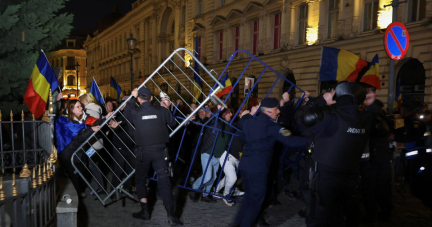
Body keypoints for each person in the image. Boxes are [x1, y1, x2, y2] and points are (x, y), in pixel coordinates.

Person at [295, 81, 373, 227]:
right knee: (339, 216)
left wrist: (321, 101)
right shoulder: (365, 119)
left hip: (324, 178)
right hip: (351, 178)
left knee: (319, 218)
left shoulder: (330, 117)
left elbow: (300, 119)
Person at [233, 97, 310, 227]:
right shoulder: (271, 126)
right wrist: (312, 140)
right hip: (259, 168)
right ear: (268, 111)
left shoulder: (250, 122)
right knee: (256, 202)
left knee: (249, 198)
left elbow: (242, 129)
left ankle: (237, 223)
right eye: (276, 109)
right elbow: (291, 140)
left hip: (245, 166)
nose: (278, 111)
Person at [124, 87, 182, 225]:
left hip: (143, 152)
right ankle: (171, 215)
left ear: (139, 99)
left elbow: (126, 112)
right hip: (160, 152)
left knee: (140, 180)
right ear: (151, 98)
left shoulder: (135, 112)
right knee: (164, 181)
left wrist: (132, 97)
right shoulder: (161, 110)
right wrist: (167, 108)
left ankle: (145, 211)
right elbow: (173, 123)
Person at [55, 100, 102, 198]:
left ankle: (78, 193)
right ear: (72, 110)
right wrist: (91, 130)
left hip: (79, 154)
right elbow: (78, 138)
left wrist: (108, 118)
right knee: (74, 177)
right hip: (69, 155)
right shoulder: (65, 121)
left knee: (80, 175)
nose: (81, 108)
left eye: (81, 106)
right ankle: (76, 199)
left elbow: (95, 121)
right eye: (78, 107)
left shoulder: (82, 117)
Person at [360, 88, 393, 223]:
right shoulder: (381, 116)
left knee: (371, 186)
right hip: (380, 156)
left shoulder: (373, 115)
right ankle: (383, 212)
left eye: (368, 96)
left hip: (373, 158)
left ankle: (372, 213)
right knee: (382, 185)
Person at [189, 107, 233, 203]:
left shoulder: (228, 125)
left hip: (217, 155)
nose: (231, 115)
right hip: (208, 153)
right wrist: (218, 111)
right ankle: (194, 188)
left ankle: (206, 194)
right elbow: (212, 120)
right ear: (224, 114)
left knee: (213, 177)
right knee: (207, 176)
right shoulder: (215, 122)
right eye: (229, 113)